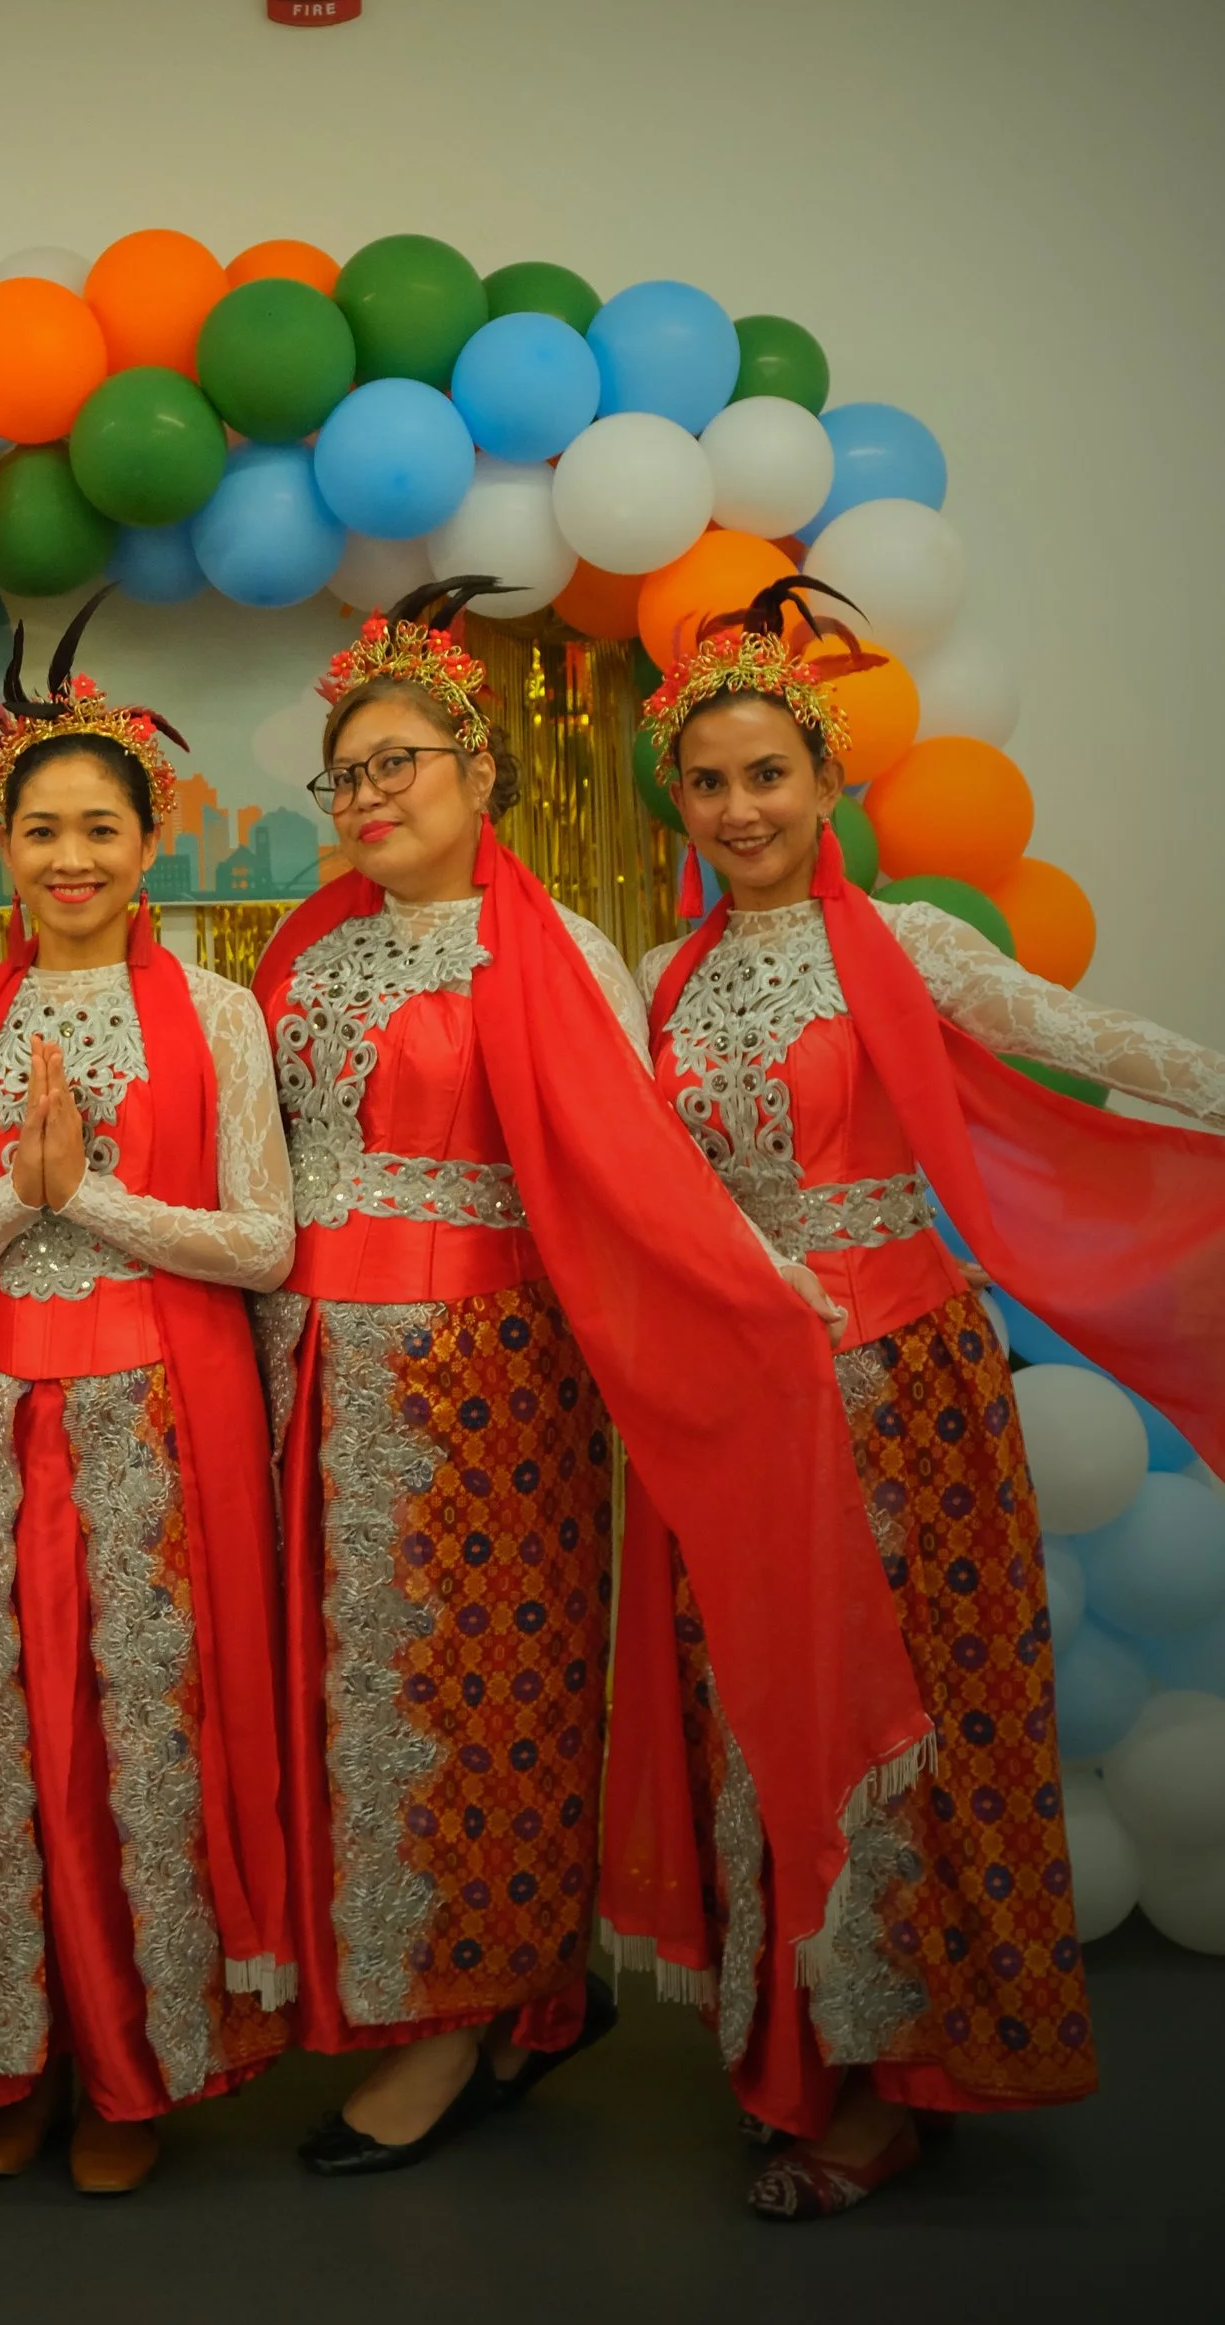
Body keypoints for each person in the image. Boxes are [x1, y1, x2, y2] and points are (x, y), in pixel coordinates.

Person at [252, 585, 928, 2180]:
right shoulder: (302, 950)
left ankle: (470, 2014)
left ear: (480, 776)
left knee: (479, 1701)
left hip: (489, 1386)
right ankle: (466, 1998)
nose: (370, 795)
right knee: (356, 1709)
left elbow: (647, 1184)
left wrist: (773, 1294)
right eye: (344, 772)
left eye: (399, 760)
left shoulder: (549, 947)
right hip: (320, 1383)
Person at [615, 578, 1225, 2217]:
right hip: (746, 1403)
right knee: (764, 1727)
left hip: (903, 1385)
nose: (741, 809)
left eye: (769, 776)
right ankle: (802, 2056)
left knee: (920, 1728)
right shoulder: (661, 983)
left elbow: (1080, 1035)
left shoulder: (901, 942)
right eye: (711, 781)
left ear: (826, 787)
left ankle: (909, 2080)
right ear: (683, 800)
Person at [0, 605, 296, 2195]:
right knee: (13, 1737)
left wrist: (93, 1199)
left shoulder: (215, 1012)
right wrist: (11, 1200)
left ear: (149, 845)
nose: (72, 856)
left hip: (156, 1415)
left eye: (100, 828)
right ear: (2, 844)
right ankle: (17, 2058)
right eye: (42, 827)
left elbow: (268, 1240)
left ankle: (133, 2070)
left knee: (145, 1731)